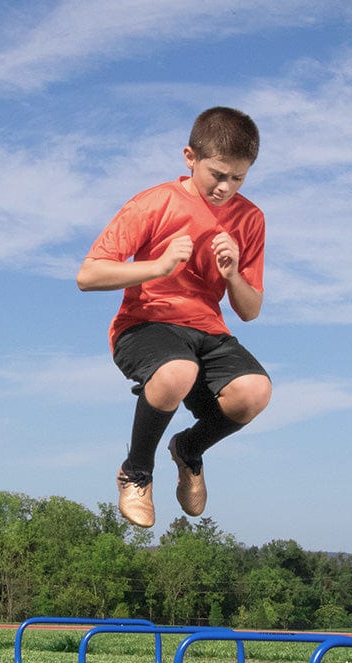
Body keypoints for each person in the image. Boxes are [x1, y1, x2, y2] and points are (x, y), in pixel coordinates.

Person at [76, 106, 272, 528]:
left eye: (237, 177)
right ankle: (135, 473)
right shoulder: (156, 202)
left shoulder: (250, 219)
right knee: (176, 371)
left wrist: (233, 274)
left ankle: (188, 449)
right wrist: (158, 267)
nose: (225, 187)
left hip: (208, 330)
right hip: (145, 324)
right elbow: (88, 275)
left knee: (255, 391)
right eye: (217, 174)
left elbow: (250, 310)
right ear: (190, 157)